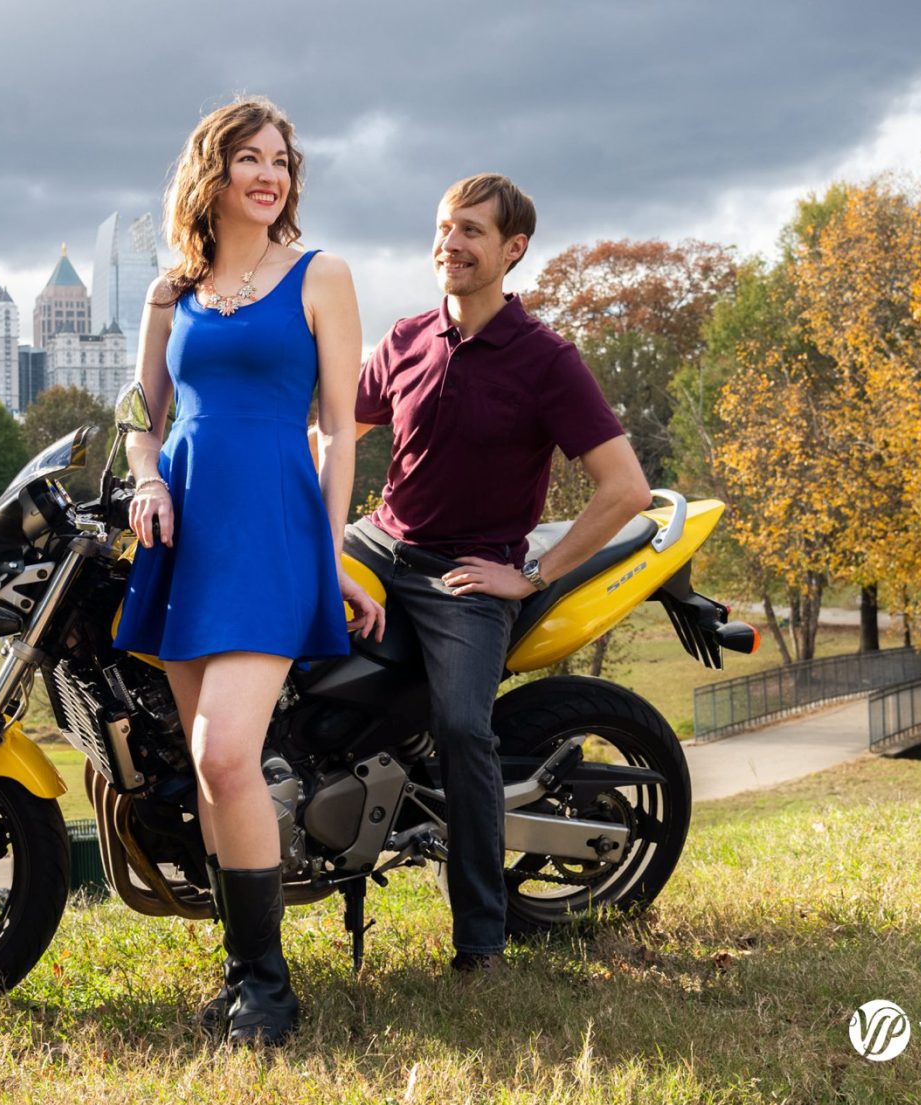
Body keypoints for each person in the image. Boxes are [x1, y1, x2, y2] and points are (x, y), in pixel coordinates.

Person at [318, 173, 650, 972]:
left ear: (513, 249)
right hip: (379, 542)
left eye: (471, 230)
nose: (451, 243)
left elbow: (626, 489)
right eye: (444, 227)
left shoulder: (546, 360)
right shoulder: (407, 337)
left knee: (464, 728)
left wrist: (530, 573)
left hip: (463, 577)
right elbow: (337, 428)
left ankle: (480, 939)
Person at [112, 97, 383, 1045]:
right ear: (212, 174)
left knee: (228, 753)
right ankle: (241, 975)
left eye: (281, 161)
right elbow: (140, 415)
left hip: (272, 530)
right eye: (250, 159)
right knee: (206, 766)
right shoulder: (169, 292)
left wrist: (329, 550)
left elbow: (338, 429)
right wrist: (147, 479)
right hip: (185, 532)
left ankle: (270, 989)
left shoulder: (321, 275)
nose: (270, 175)